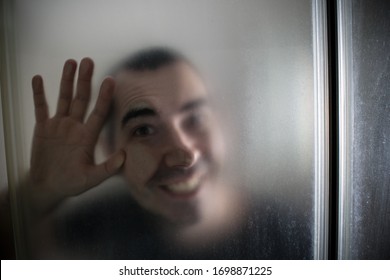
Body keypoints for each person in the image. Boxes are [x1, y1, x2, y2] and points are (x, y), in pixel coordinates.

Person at [22, 47, 309, 259]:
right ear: (110, 149)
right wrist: (36, 195)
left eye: (195, 120)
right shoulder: (93, 228)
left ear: (223, 124)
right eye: (144, 130)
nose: (184, 154)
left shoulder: (297, 237)